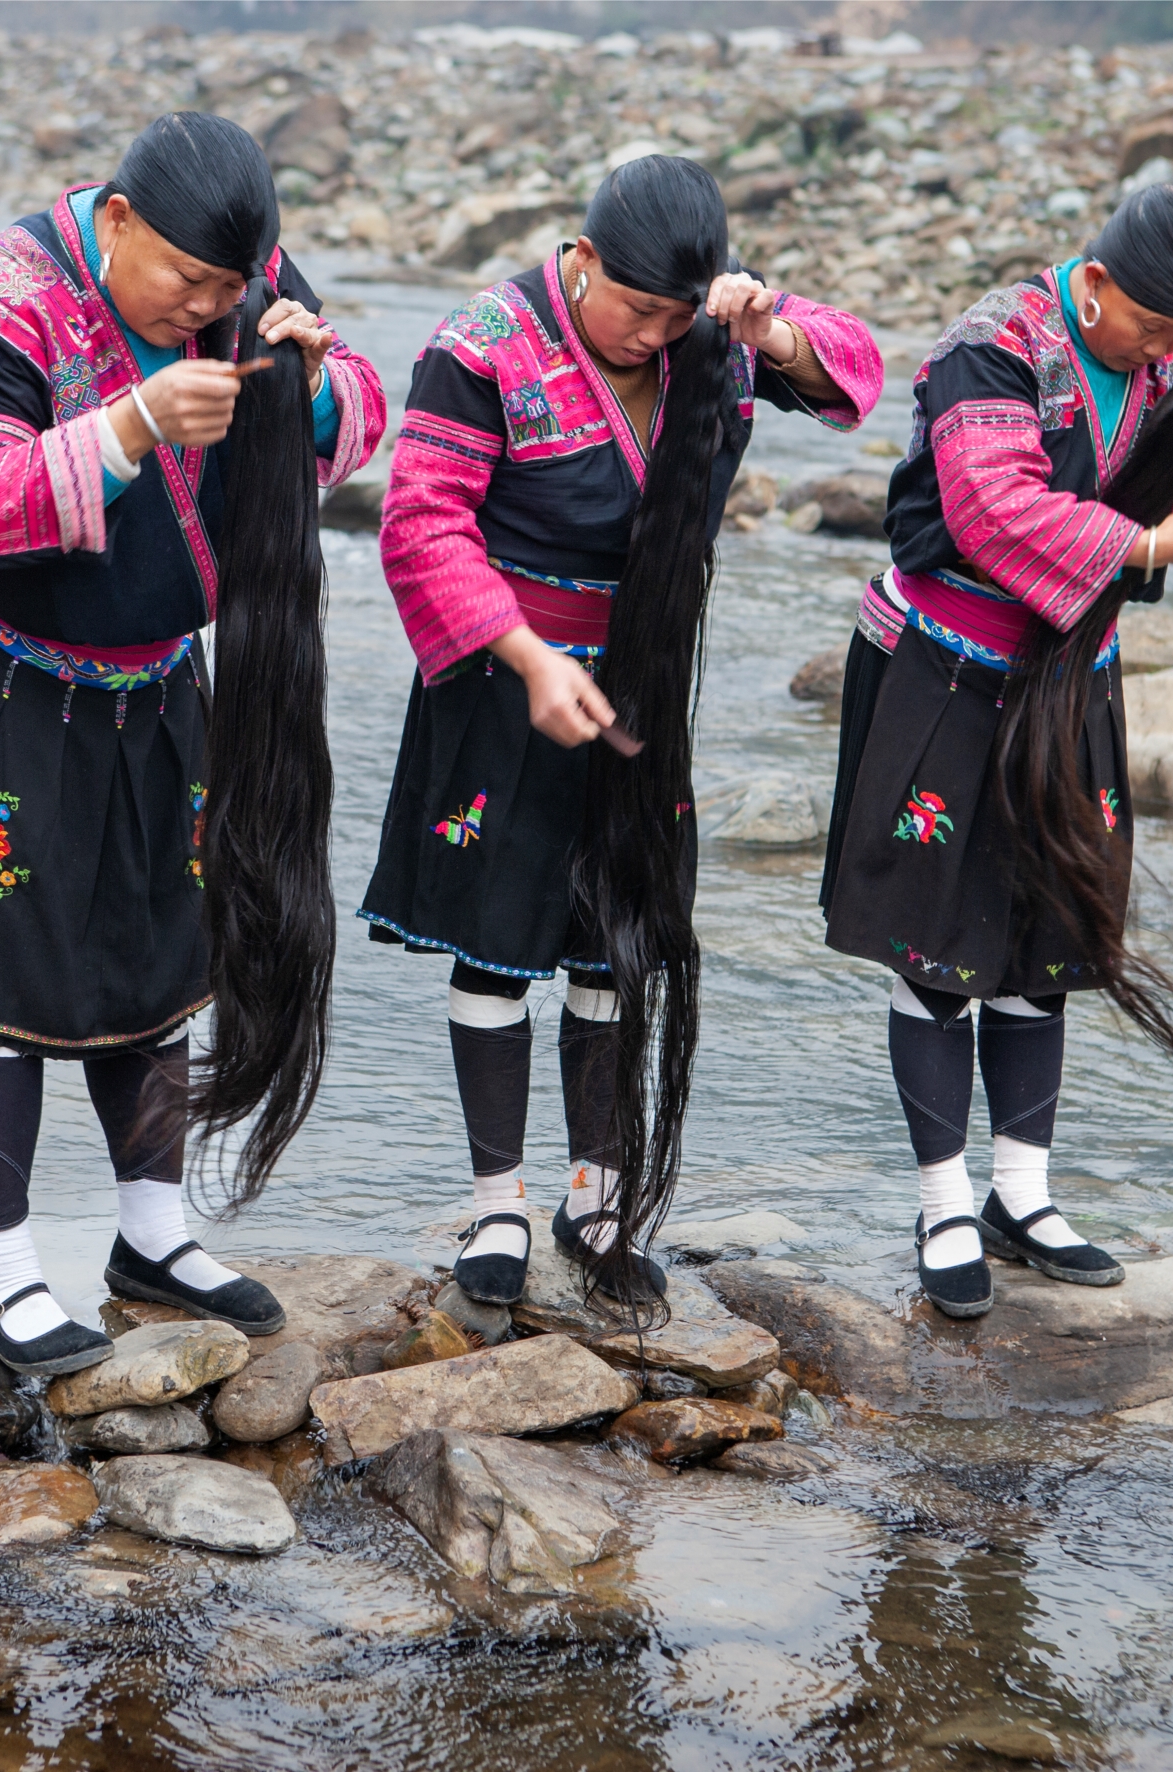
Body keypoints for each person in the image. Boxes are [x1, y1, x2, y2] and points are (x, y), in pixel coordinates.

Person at [0, 113, 385, 1375]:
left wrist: (312, 380)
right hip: (1, 662)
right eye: (187, 283)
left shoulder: (241, 278)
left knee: (158, 938)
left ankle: (153, 1234)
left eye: (230, 290)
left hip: (153, 671)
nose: (209, 307)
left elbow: (358, 413)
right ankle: (3, 1268)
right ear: (121, 220)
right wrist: (133, 423)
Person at [360, 155, 883, 1310]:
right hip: (509, 673)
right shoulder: (483, 345)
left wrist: (772, 325)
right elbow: (421, 526)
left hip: (642, 676)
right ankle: (496, 1203)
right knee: (498, 947)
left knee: (618, 942)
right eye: (637, 307)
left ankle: (595, 1194)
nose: (656, 334)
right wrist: (529, 654)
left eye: (678, 313)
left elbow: (855, 381)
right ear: (580, 258)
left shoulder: (714, 333)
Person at [821, 182, 1173, 1319]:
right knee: (939, 944)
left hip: (1069, 687)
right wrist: (1153, 543)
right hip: (949, 670)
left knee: (1046, 933)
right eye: (1157, 335)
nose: (1164, 355)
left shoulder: (1166, 360)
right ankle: (943, 1200)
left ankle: (1024, 1190)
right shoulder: (992, 346)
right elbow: (989, 510)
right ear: (1098, 285)